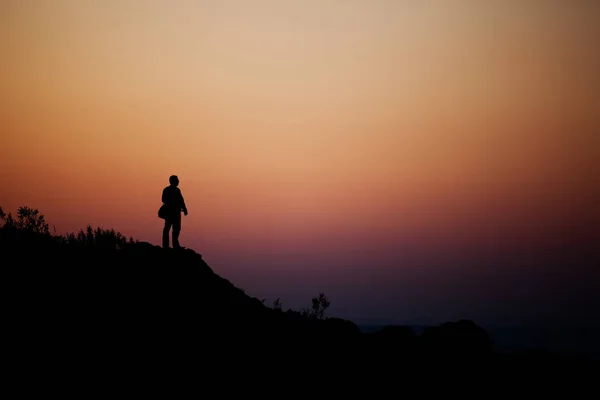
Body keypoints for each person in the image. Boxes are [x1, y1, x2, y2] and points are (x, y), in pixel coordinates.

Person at [161, 175, 188, 249]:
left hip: (175, 212)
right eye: (177, 180)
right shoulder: (170, 190)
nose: (178, 181)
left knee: (176, 229)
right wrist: (184, 209)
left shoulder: (176, 190)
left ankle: (174, 245)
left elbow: (181, 201)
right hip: (171, 212)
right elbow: (164, 200)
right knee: (168, 228)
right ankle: (167, 245)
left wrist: (184, 209)